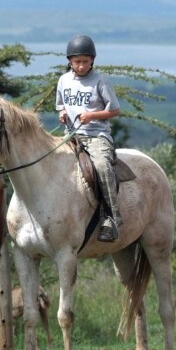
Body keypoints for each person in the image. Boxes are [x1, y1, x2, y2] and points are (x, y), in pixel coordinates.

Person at [55, 35, 121, 243]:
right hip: (71, 134)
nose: (81, 65)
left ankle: (111, 216)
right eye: (77, 61)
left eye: (85, 61)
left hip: (96, 135)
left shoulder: (100, 81)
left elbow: (115, 110)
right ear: (70, 61)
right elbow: (60, 104)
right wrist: (62, 113)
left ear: (92, 60)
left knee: (101, 166)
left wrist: (92, 115)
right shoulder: (63, 80)